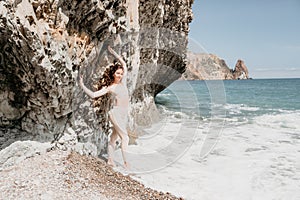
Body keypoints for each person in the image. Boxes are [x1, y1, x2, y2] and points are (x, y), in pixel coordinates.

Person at [79, 46, 130, 168]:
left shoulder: (123, 82)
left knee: (114, 137)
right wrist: (81, 85)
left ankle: (110, 160)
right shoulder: (110, 87)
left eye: (121, 73)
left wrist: (115, 54)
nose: (120, 75)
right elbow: (94, 94)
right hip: (115, 113)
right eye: (117, 73)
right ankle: (127, 164)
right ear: (113, 74)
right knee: (125, 138)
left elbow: (124, 64)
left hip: (123, 113)